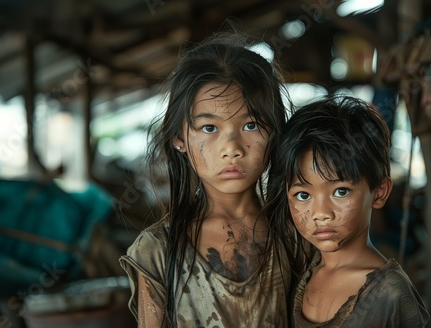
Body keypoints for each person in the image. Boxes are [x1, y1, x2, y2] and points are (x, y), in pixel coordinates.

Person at [119, 32, 306, 327]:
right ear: (180, 138)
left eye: (251, 124)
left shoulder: (299, 233)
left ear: (275, 133)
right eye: (209, 128)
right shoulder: (156, 251)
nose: (231, 148)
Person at [267, 95, 430, 327]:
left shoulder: (390, 293)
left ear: (380, 192)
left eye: (340, 192)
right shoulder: (305, 272)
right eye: (303, 195)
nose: (321, 213)